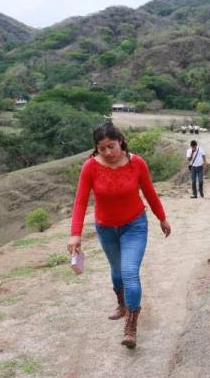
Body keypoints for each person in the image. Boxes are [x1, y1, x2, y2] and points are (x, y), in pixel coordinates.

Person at [68, 122, 172, 349]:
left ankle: (131, 326)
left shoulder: (137, 163)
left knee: (129, 272)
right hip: (106, 229)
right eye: (102, 148)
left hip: (134, 226)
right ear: (96, 148)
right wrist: (75, 234)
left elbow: (149, 192)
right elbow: (80, 201)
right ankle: (122, 304)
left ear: (120, 142)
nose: (107, 152)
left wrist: (161, 217)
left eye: (111, 146)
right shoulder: (90, 167)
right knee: (116, 272)